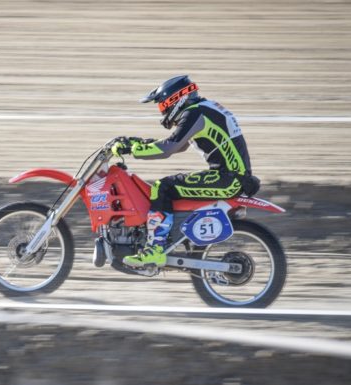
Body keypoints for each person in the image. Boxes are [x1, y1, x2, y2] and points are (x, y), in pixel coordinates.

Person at [111, 74, 259, 268]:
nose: (162, 111)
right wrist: (139, 143)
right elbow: (179, 144)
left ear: (176, 99)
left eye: (163, 105)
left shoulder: (194, 113)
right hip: (231, 176)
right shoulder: (203, 109)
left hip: (227, 179)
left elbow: (169, 147)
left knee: (162, 187)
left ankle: (155, 249)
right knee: (171, 187)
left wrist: (133, 149)